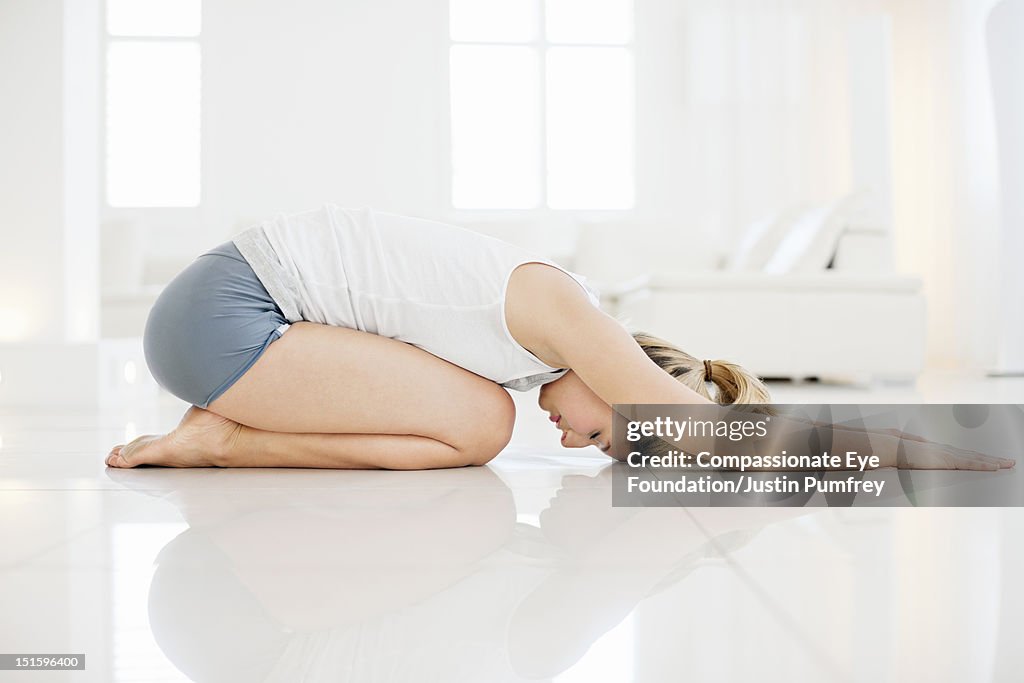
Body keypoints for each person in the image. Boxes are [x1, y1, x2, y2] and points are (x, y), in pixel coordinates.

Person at [105, 205, 1015, 472]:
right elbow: (749, 439)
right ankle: (223, 438)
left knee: (479, 421)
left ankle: (221, 436)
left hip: (227, 317)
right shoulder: (580, 322)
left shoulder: (547, 340)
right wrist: (944, 455)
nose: (578, 441)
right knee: (481, 427)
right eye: (610, 433)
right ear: (646, 380)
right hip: (226, 313)